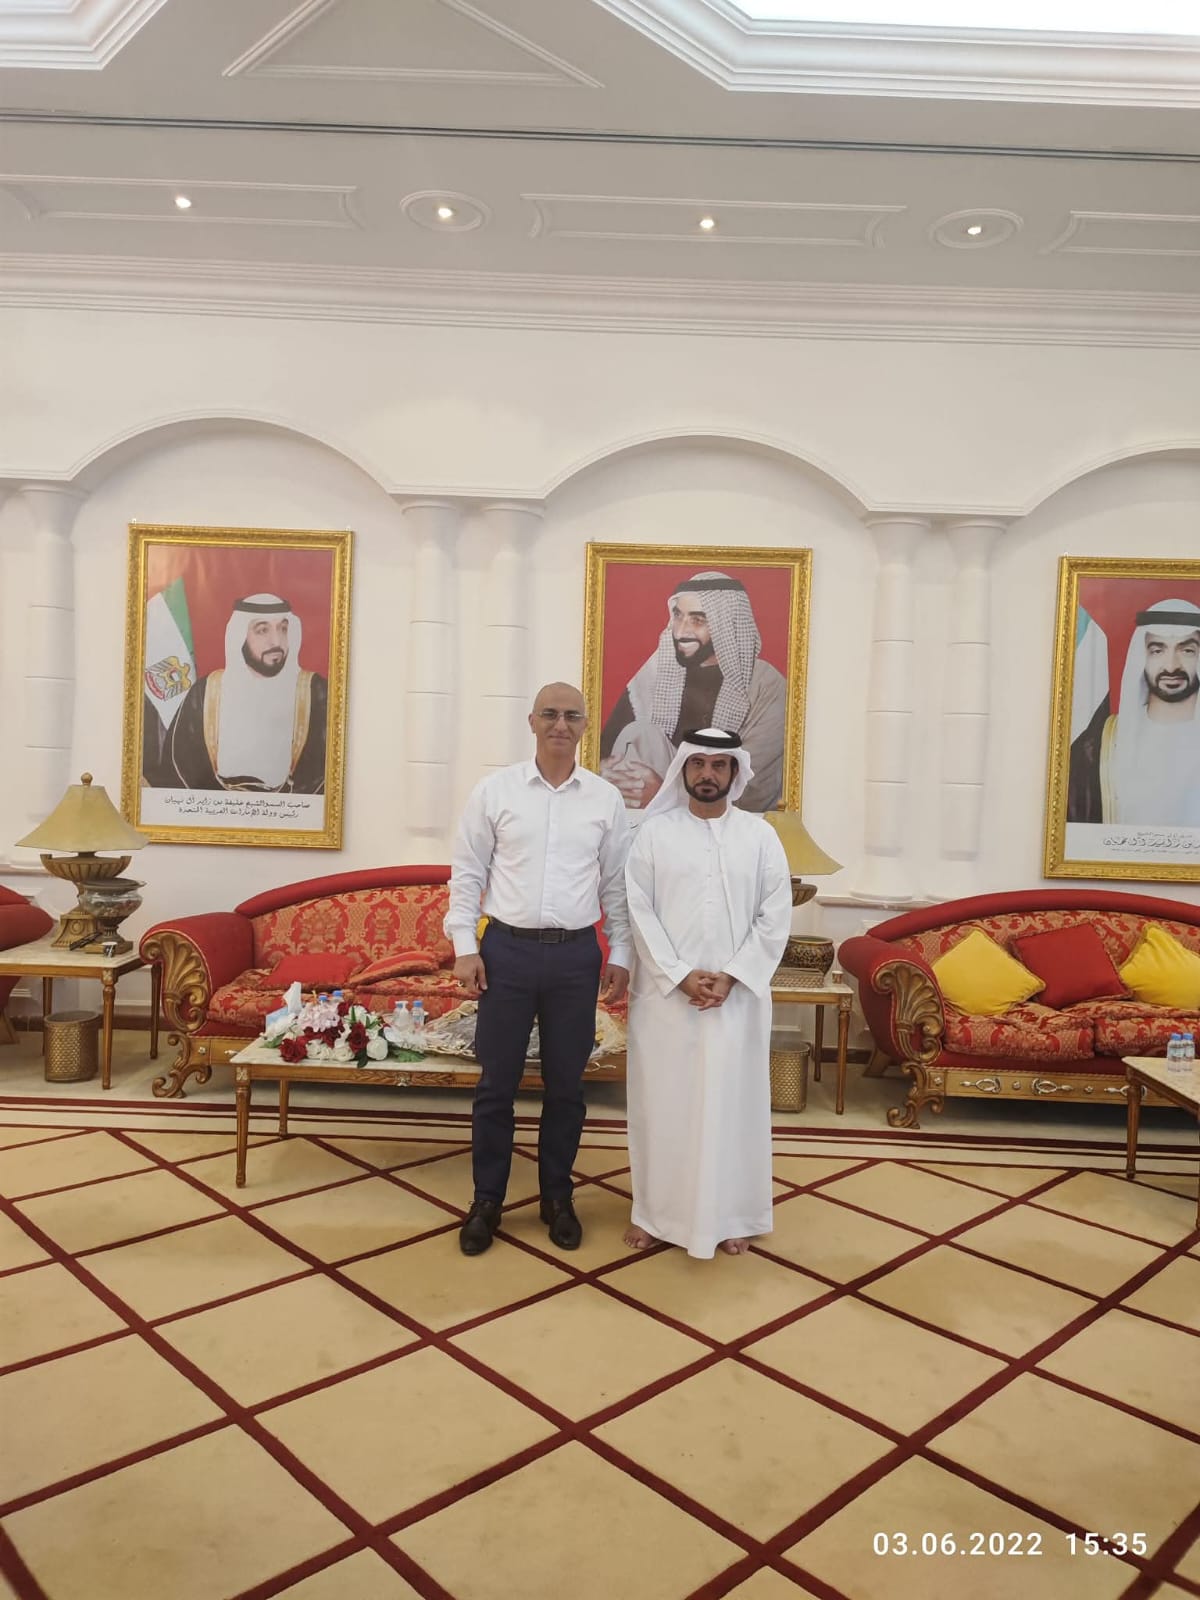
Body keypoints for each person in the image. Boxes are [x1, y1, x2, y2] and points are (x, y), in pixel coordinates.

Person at [445, 682, 632, 1256]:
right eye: (549, 714)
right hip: (506, 952)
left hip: (576, 957)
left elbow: (616, 885)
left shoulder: (605, 799)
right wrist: (465, 946)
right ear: (531, 722)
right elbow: (467, 873)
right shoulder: (495, 791)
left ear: (584, 726)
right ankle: (487, 1201)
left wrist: (621, 953)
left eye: (571, 715)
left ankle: (557, 1197)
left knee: (567, 1087)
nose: (560, 724)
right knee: (496, 1086)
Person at [622, 727, 792, 1258]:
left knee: (731, 1107)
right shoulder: (654, 835)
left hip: (736, 1001)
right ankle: (654, 1214)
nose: (707, 774)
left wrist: (733, 974)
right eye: (698, 764)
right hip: (667, 1000)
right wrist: (679, 974)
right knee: (663, 1106)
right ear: (684, 770)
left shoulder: (760, 837)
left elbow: (775, 914)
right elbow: (638, 910)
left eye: (719, 766)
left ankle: (731, 1216)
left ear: (735, 772)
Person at [599, 571, 787, 813]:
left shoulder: (765, 685)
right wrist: (608, 773)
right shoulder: (657, 672)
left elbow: (753, 788)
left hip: (725, 820)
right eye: (678, 616)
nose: (680, 632)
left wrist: (664, 794)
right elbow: (604, 751)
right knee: (640, 732)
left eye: (697, 620)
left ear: (725, 626)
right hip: (649, 820)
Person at [158, 595, 327, 792]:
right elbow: (179, 769)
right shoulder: (207, 692)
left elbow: (327, 773)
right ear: (239, 636)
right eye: (262, 630)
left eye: (283, 629)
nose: (277, 641)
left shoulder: (315, 692)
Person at [1068, 598, 1200, 827]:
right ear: (1141, 657)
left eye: (1187, 650)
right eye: (1157, 650)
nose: (1171, 666)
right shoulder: (1098, 746)